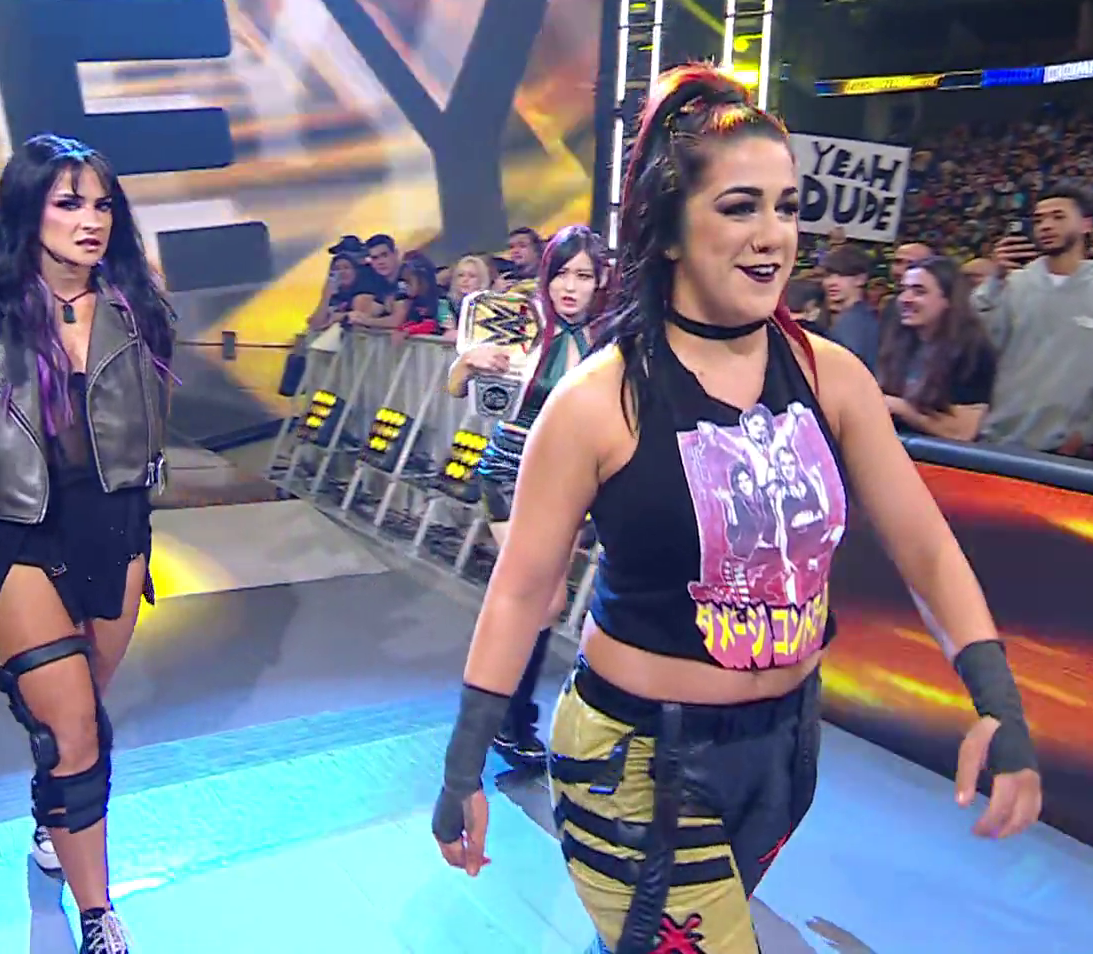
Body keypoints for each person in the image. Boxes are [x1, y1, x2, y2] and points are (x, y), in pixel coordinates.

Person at [430, 66, 1041, 954]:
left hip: (784, 754)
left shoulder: (833, 377)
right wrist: (464, 763)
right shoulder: (598, 401)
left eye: (787, 207)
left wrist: (998, 703)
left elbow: (926, 547)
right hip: (635, 764)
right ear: (672, 228)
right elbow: (523, 591)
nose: (772, 236)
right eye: (739, 207)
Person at [0, 134, 174, 954]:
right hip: (19, 532)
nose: (91, 221)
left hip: (116, 530)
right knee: (72, 729)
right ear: (29, 210)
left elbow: (151, 431)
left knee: (80, 719)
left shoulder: (141, 310)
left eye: (102, 205)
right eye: (69, 203)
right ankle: (99, 916)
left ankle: (52, 813)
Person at [446, 224, 610, 766]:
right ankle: (509, 720)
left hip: (568, 482)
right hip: (509, 472)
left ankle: (505, 713)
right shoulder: (523, 322)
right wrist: (470, 362)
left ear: (599, 281)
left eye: (583, 276)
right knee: (533, 595)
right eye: (561, 274)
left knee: (549, 604)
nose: (570, 287)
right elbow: (454, 386)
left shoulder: (608, 339)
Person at [973, 181, 1093, 457]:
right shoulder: (1011, 285)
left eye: (1058, 217)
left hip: (1064, 453)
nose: (1046, 226)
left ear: (1087, 224)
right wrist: (994, 281)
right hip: (994, 441)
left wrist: (1084, 435)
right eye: (1039, 220)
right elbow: (976, 348)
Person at [878, 256, 997, 442]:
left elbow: (963, 430)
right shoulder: (899, 341)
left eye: (919, 291)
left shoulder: (973, 351)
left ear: (948, 299)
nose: (905, 299)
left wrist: (901, 408)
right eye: (903, 290)